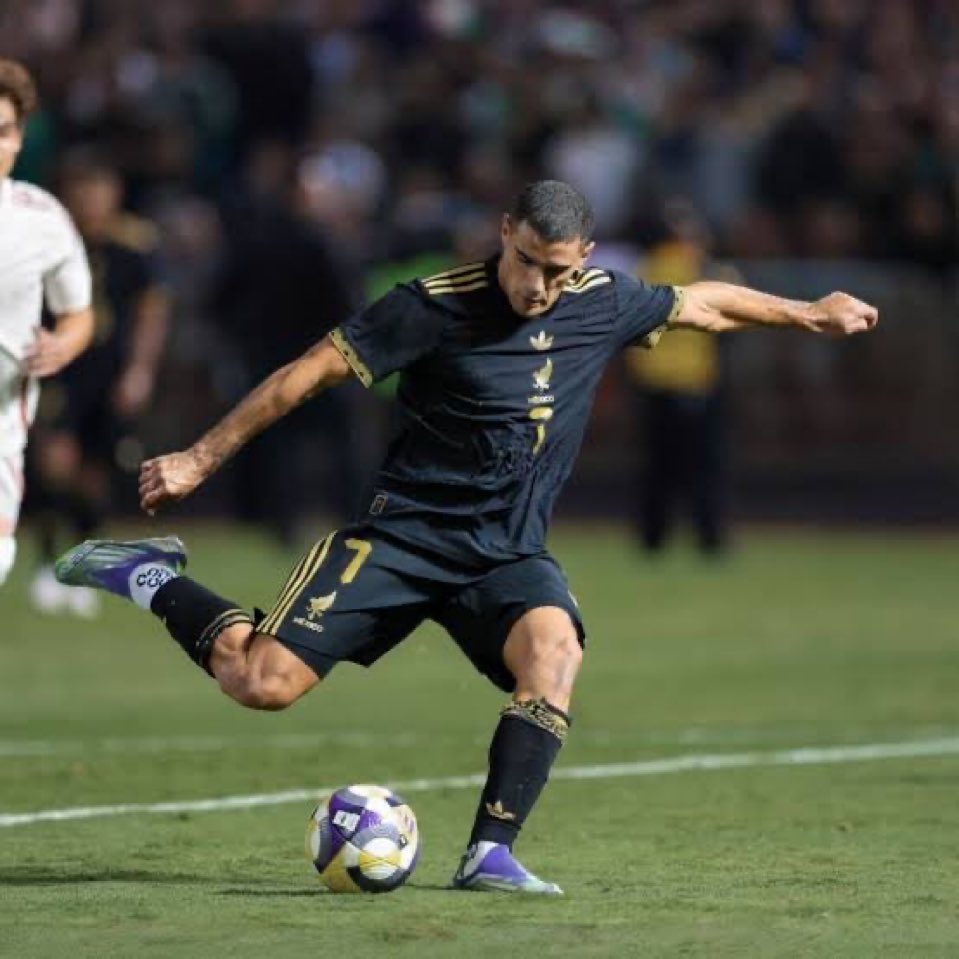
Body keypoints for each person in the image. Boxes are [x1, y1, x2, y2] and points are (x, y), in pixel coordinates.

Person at [54, 181, 877, 893]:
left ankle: (489, 850)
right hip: (402, 537)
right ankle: (149, 573)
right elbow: (306, 372)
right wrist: (199, 457)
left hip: (508, 553)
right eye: (527, 261)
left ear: (582, 255)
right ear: (503, 234)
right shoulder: (430, 306)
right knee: (259, 682)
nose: (539, 285)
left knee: (553, 655)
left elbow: (701, 302)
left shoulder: (600, 298)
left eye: (558, 269)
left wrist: (810, 312)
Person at [28, 150, 170, 615]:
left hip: (109, 371)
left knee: (94, 473)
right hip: (60, 365)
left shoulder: (135, 244)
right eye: (82, 190)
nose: (91, 199)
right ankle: (47, 563)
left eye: (99, 189)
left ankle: (83, 568)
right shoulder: (48, 241)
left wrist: (140, 371)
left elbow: (152, 310)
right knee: (55, 461)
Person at [0, 59, 93, 588]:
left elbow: (78, 312)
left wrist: (62, 345)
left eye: (4, 131)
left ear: (19, 139)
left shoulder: (42, 219)